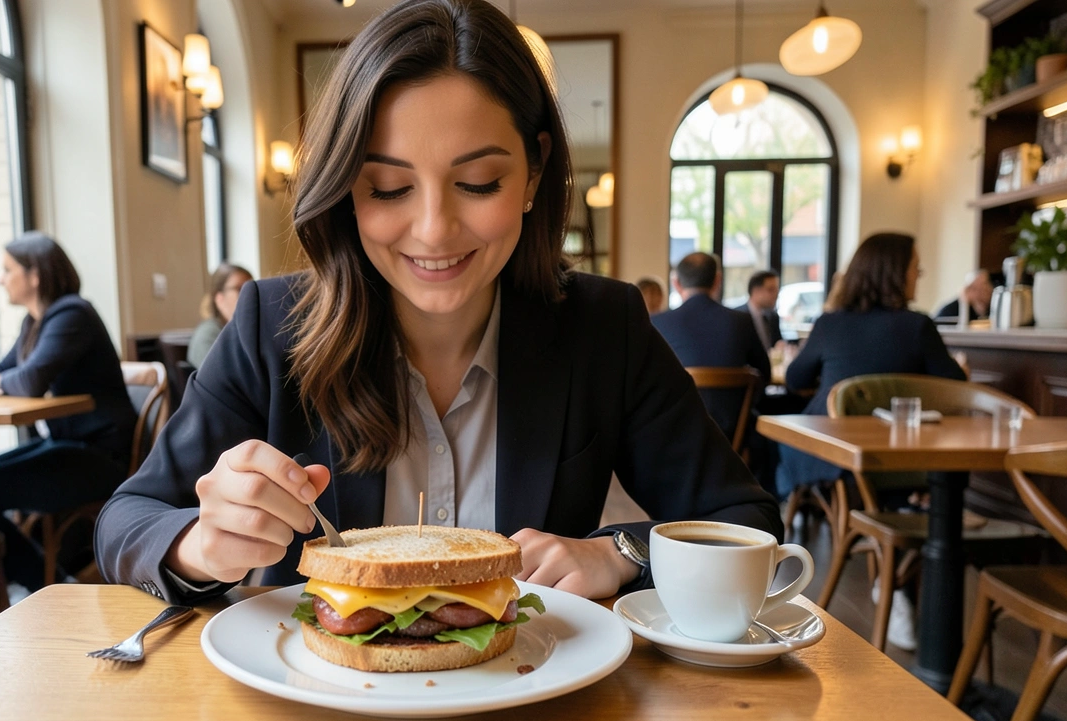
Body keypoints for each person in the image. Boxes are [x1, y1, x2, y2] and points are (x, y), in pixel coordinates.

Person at [95, 0, 779, 605]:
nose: (433, 231)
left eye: (478, 182)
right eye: (389, 188)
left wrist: (619, 553)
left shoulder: (604, 327)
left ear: (534, 172)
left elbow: (745, 522)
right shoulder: (272, 324)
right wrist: (200, 544)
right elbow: (126, 522)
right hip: (318, 695)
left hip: (532, 694)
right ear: (345, 190)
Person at [777, 232, 965, 650]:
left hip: (828, 458)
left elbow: (794, 378)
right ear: (895, 273)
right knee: (918, 492)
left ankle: (887, 556)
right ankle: (894, 572)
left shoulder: (830, 323)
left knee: (882, 491)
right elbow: (955, 385)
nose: (919, 274)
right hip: (898, 461)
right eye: (915, 267)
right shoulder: (917, 327)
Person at [0, 232, 136, 624]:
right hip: (70, 445)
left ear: (34, 275)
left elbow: (30, 380)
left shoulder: (72, 314)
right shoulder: (34, 323)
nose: (0, 279)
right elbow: (4, 373)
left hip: (101, 458)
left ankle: (50, 588)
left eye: (7, 270)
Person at [651, 252, 771, 445]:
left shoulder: (658, 323)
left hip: (674, 435)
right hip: (731, 436)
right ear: (718, 281)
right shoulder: (741, 322)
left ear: (676, 283)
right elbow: (765, 374)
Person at [186, 264, 254, 368]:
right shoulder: (208, 333)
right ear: (219, 299)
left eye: (251, 290)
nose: (249, 296)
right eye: (240, 289)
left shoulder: (245, 331)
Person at [743, 269, 782, 351]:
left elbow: (777, 344)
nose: (776, 294)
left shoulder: (773, 317)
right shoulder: (737, 317)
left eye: (777, 290)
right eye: (771, 290)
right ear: (756, 291)